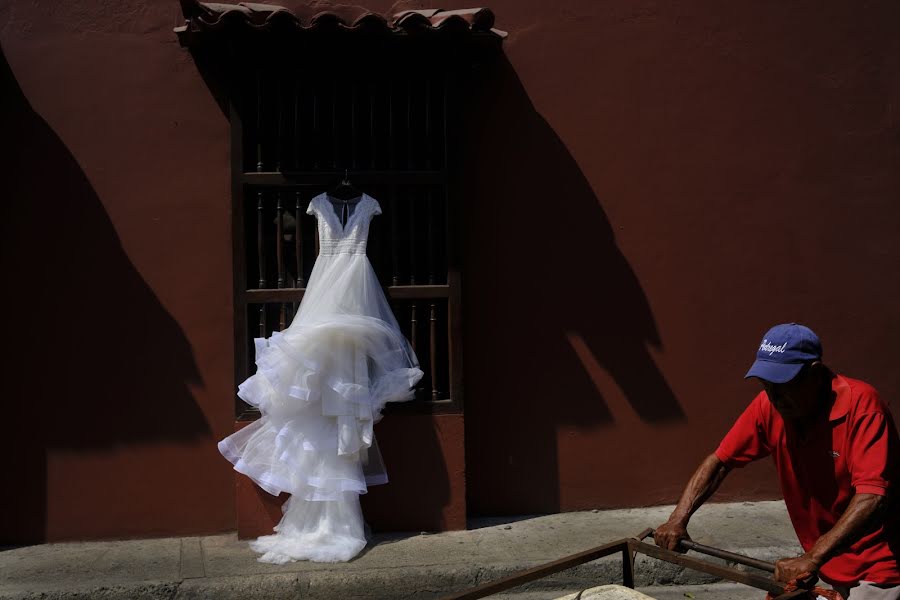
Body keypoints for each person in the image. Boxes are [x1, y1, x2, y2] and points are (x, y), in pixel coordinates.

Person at [655, 323, 899, 599]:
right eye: (766, 384)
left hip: (879, 569)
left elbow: (872, 497)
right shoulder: (769, 406)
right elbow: (720, 461)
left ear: (816, 373)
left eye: (784, 385)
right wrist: (677, 519)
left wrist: (813, 556)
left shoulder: (863, 407)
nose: (775, 396)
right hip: (827, 563)